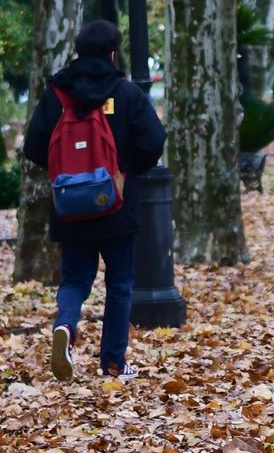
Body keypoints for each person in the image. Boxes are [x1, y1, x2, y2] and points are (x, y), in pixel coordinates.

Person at [23, 20, 167, 382]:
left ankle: (66, 327)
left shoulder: (57, 93)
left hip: (70, 206)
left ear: (78, 51)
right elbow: (154, 140)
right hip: (117, 205)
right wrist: (126, 171)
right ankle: (114, 363)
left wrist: (66, 176)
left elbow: (34, 145)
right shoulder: (126, 92)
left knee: (74, 280)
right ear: (113, 53)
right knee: (119, 284)